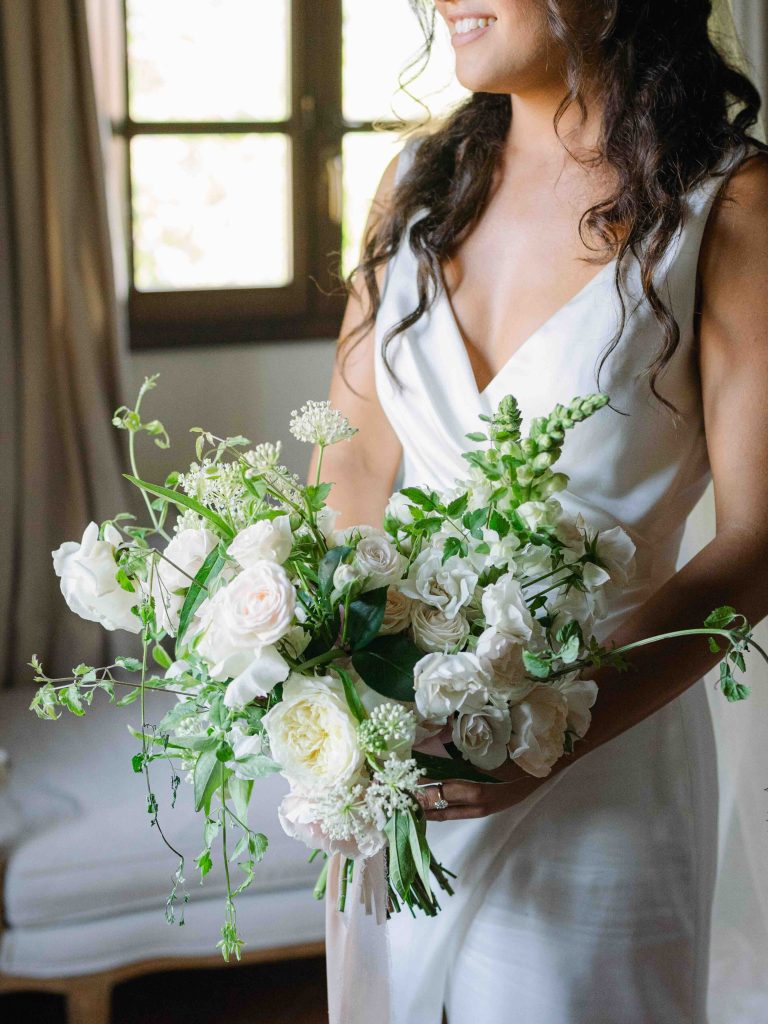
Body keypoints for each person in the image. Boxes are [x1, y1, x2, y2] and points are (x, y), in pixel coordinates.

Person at [312, 1, 768, 1021]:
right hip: (403, 767)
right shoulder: (416, 190)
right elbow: (349, 471)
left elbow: (757, 542)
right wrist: (338, 688)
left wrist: (545, 733)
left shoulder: (730, 206)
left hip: (606, 769)